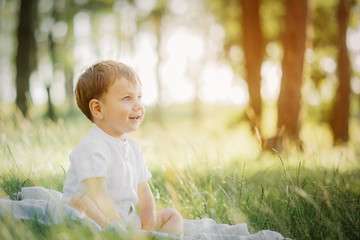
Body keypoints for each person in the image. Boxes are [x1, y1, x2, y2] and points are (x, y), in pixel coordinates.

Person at [62, 60, 183, 236]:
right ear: (98, 108)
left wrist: (148, 225)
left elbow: (143, 190)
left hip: (126, 217)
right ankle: (118, 234)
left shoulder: (133, 147)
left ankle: (151, 236)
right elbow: (98, 195)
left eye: (139, 97)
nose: (138, 105)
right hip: (95, 215)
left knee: (173, 216)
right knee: (80, 202)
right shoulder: (92, 147)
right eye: (127, 98)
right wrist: (118, 226)